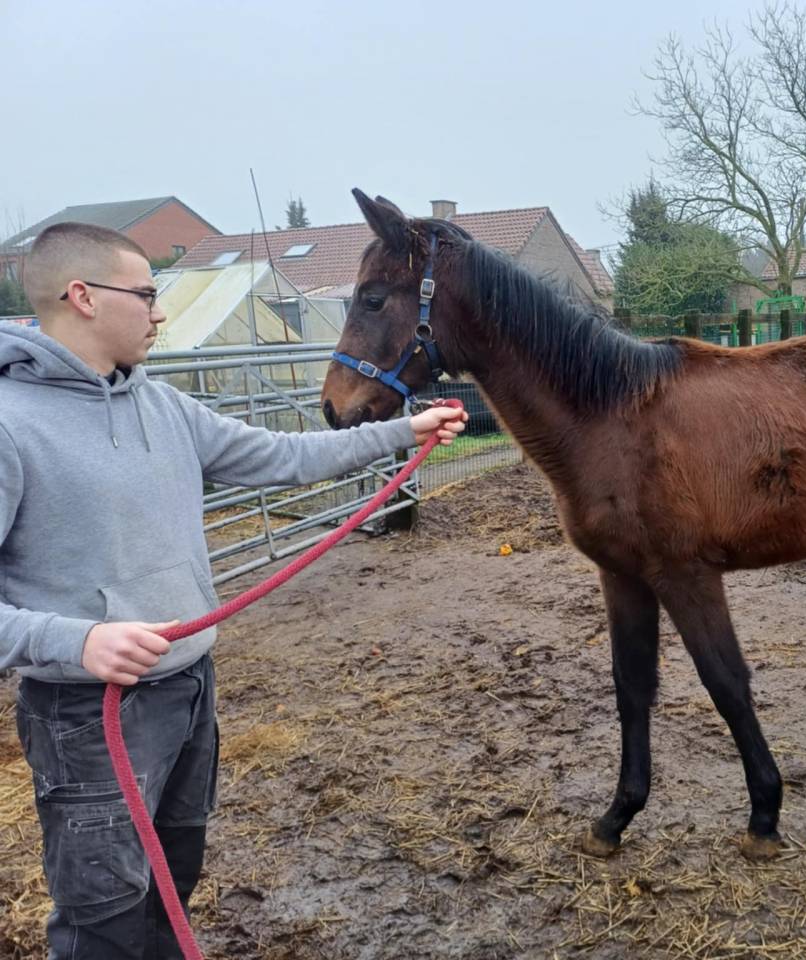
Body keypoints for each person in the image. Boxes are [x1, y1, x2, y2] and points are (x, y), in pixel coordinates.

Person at [0, 222, 467, 958]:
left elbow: (282, 457)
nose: (159, 314)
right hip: (88, 715)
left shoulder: (163, 407)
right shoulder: (11, 425)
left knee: (173, 877)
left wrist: (404, 432)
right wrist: (76, 640)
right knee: (104, 914)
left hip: (189, 690)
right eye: (147, 295)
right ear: (82, 297)